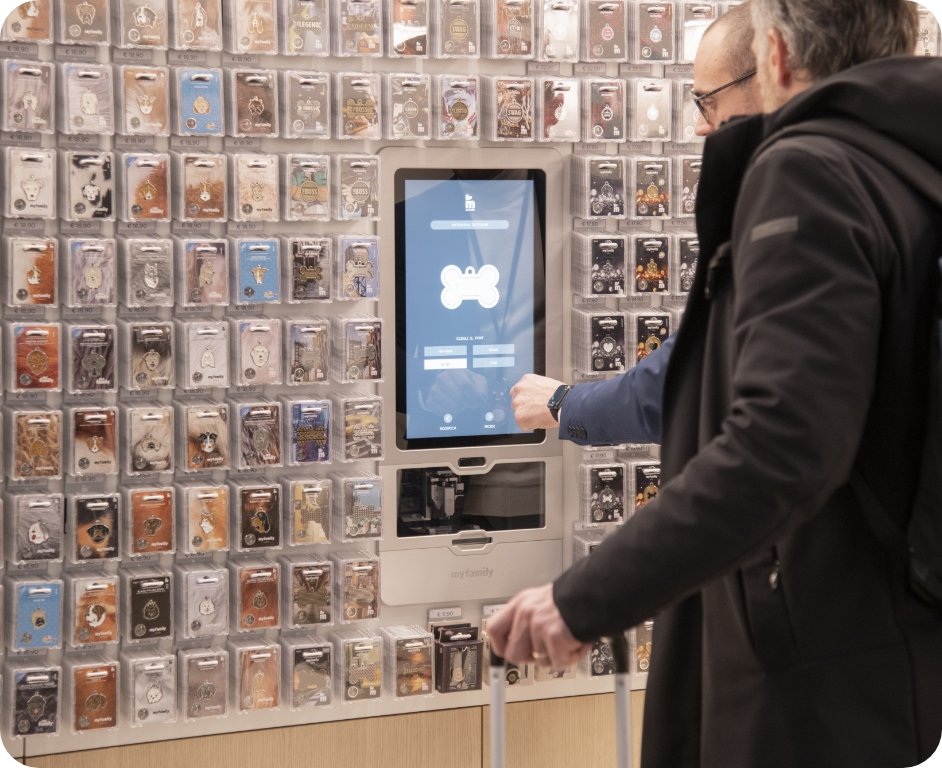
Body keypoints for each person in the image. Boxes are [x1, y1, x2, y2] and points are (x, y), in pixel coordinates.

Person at [488, 1, 942, 766]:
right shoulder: (909, 167)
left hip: (794, 663)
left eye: (706, 102)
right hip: (882, 643)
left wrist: (583, 600)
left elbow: (783, 444)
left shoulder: (811, 172)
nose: (703, 126)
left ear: (777, 57)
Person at [510, 3, 760, 445]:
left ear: (770, 71)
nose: (702, 126)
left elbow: (694, 379)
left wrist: (563, 403)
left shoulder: (801, 202)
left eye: (708, 101)